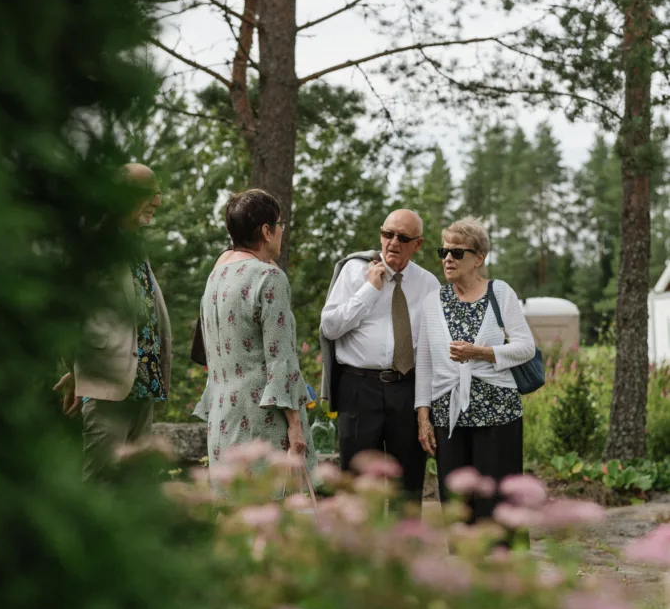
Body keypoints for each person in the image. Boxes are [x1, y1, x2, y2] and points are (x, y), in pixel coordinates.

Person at [54, 163, 171, 479]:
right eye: (151, 192)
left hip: (144, 388)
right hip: (109, 390)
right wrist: (79, 369)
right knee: (100, 483)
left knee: (135, 489)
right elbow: (68, 312)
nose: (158, 201)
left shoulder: (135, 244)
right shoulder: (93, 245)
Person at [415, 217, 535, 522]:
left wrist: (479, 353)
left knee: (498, 500)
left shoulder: (500, 292)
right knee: (457, 502)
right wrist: (423, 416)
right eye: (444, 252)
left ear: (478, 258)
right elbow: (426, 362)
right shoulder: (434, 301)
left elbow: (525, 347)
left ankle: (503, 565)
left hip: (498, 412)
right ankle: (463, 566)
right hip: (448, 414)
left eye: (457, 253)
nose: (448, 259)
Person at [197, 188, 316, 490]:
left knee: (235, 517)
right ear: (266, 231)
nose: (281, 232)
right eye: (280, 224)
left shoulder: (215, 278)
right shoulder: (268, 277)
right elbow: (282, 359)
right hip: (264, 425)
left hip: (223, 419)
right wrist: (295, 427)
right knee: (274, 521)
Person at [320, 210, 439, 508]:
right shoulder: (353, 272)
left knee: (407, 485)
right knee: (357, 484)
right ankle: (357, 553)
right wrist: (369, 290)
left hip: (406, 389)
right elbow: (329, 327)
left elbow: (432, 351)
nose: (393, 242)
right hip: (359, 388)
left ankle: (405, 552)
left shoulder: (429, 285)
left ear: (418, 244)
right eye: (387, 234)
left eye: (403, 237)